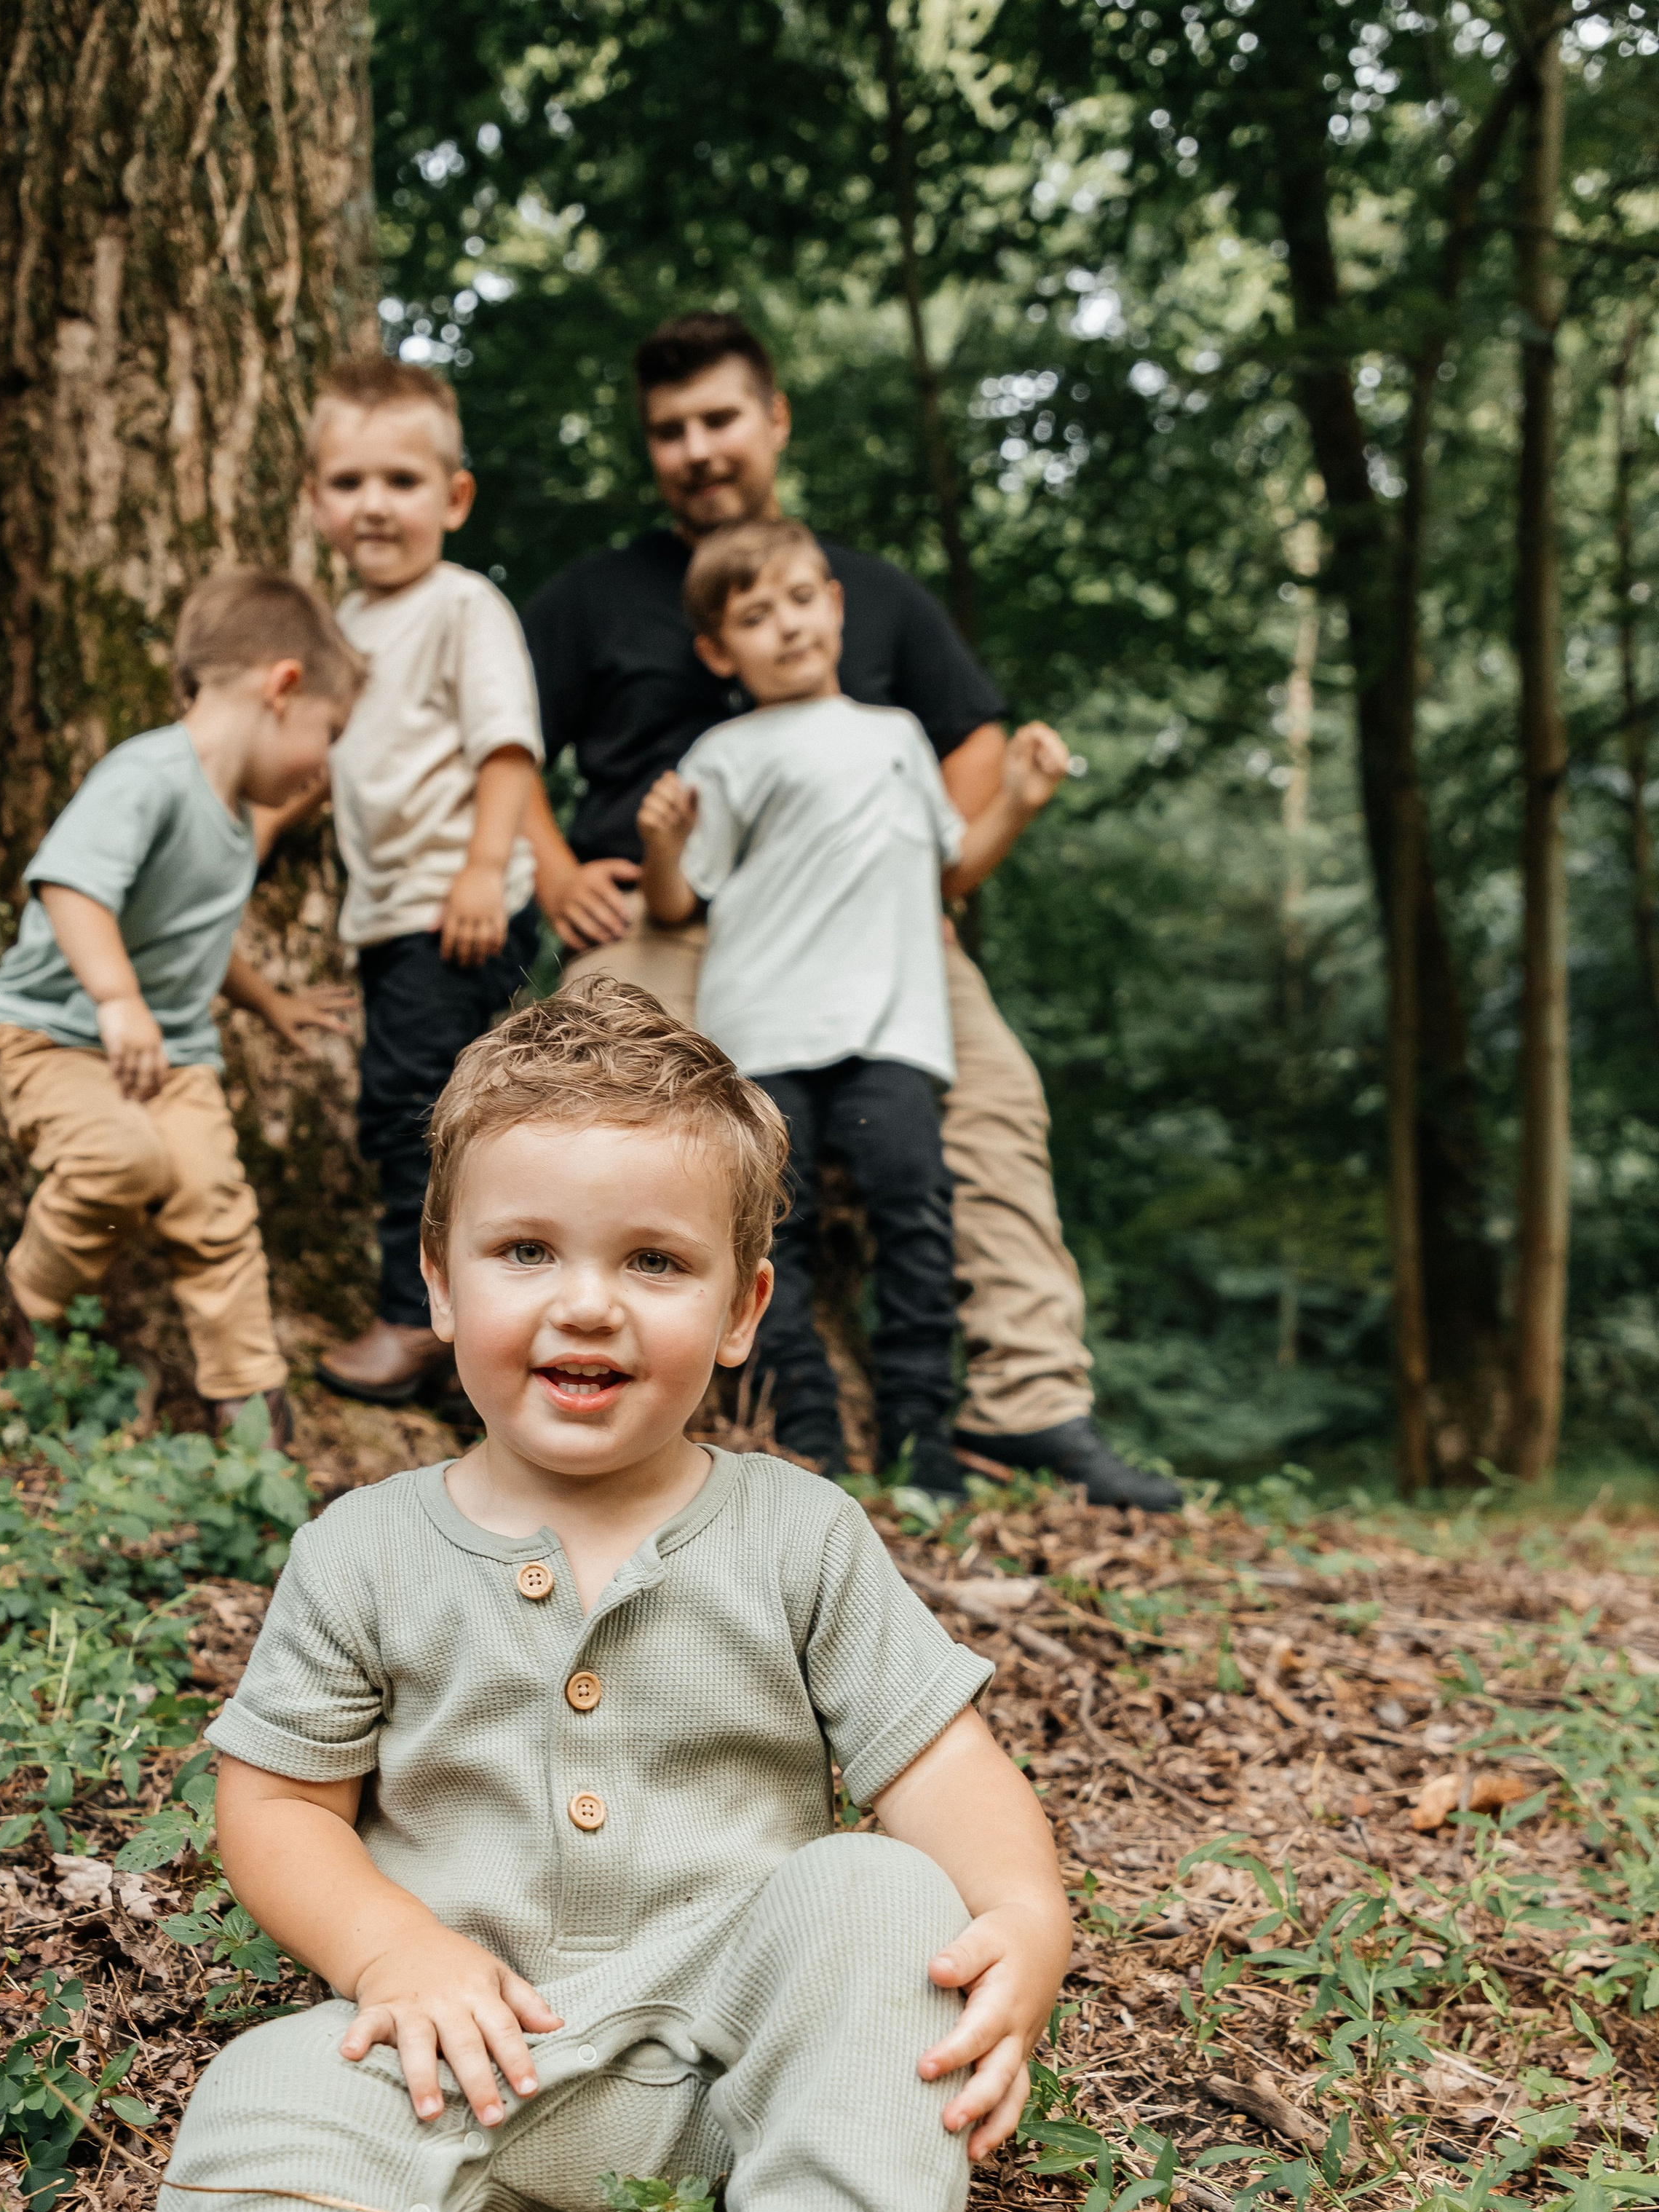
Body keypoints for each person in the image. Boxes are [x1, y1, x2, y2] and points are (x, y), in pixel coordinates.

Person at [130, 984, 1072, 2212]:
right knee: (264, 2093)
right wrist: (388, 1944)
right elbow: (273, 1802)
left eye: (651, 1261)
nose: (586, 1304)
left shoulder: (796, 1533)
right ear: (436, 1280)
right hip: (465, 2051)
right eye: (525, 1254)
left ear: (740, 1307)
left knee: (874, 1885)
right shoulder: (364, 1550)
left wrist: (1020, 1916)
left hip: (742, 2063)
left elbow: (942, 1766)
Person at [519, 311, 1181, 1512]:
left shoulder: (864, 591)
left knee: (994, 1100)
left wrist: (933, 887)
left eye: (720, 419)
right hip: (670, 926)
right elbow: (497, 746)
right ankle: (592, 1380)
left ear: (774, 420)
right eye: (670, 431)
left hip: (866, 936)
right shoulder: (596, 597)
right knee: (583, 1092)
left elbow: (973, 743)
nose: (698, 449)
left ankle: (1026, 1406)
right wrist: (554, 861)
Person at [638, 518, 1068, 1495]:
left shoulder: (899, 735)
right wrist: (662, 841)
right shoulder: (727, 752)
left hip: (893, 1031)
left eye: (801, 600)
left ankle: (924, 1443)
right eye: (755, 616)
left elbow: (951, 866)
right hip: (765, 1029)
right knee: (771, 1234)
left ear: (835, 606)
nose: (786, 627)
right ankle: (811, 1445)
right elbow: (676, 901)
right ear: (719, 650)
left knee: (914, 1217)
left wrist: (1023, 799)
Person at [0, 569, 363, 1445]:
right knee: (120, 1164)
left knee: (214, 1204)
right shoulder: (147, 774)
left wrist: (271, 1005)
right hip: (57, 1038)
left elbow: (198, 932)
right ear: (283, 688)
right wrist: (117, 1001)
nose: (322, 764)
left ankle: (249, 1404)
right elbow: (71, 887)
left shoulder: (230, 819)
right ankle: (27, 1314)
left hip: (173, 1055)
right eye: (327, 734)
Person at [304, 358, 547, 1410]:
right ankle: (464, 1337)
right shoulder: (340, 629)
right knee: (415, 1109)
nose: (373, 507)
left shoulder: (462, 606)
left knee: (422, 1110)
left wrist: (484, 872)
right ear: (314, 500)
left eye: (401, 482)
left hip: (459, 909)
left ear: (453, 498)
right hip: (393, 916)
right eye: (349, 482)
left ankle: (416, 1320)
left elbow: (505, 751)